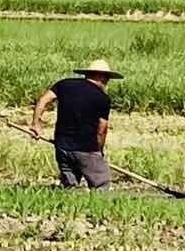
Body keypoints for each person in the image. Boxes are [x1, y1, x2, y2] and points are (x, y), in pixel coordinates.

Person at [31, 59, 123, 190]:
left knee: (69, 186)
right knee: (101, 184)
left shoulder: (64, 84)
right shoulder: (102, 98)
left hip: (62, 146)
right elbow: (102, 129)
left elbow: (43, 100)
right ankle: (97, 209)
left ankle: (68, 208)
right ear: (100, 76)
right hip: (86, 149)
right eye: (107, 78)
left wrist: (36, 124)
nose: (107, 82)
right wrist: (99, 152)